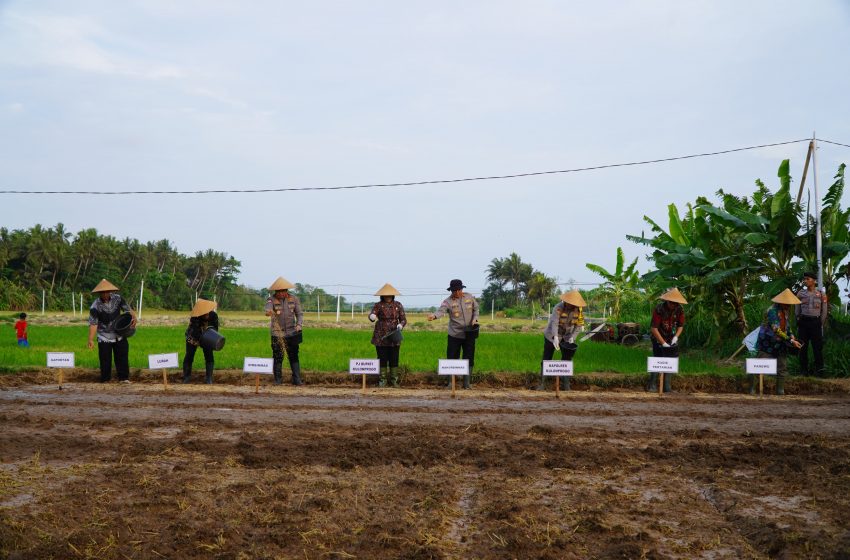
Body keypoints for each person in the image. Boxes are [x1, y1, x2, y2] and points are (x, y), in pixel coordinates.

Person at [427, 279, 479, 389]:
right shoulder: (448, 302)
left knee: (469, 357)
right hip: (455, 334)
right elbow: (441, 311)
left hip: (469, 333)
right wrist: (434, 316)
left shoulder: (469, 297)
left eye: (459, 290)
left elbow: (476, 309)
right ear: (451, 291)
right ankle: (451, 383)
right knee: (452, 357)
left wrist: (475, 319)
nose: (457, 292)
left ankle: (467, 384)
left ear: (462, 289)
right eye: (454, 291)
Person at [754, 289, 803, 396]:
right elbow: (776, 329)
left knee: (782, 367)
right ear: (781, 302)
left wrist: (792, 336)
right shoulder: (771, 311)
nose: (789, 306)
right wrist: (790, 340)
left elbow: (787, 326)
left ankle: (780, 391)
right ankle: (751, 389)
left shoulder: (785, 310)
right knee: (759, 366)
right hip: (768, 343)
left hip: (781, 343)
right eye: (787, 304)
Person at [87, 279, 137, 383]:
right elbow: (93, 323)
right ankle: (105, 380)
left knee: (122, 357)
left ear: (110, 291)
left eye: (107, 292)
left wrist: (134, 318)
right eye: (102, 292)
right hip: (104, 336)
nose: (105, 294)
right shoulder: (95, 306)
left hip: (119, 333)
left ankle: (124, 378)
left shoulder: (118, 299)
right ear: (99, 293)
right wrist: (90, 339)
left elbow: (128, 310)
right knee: (105, 360)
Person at [537, 290, 586, 391]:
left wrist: (573, 336)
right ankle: (542, 384)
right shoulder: (558, 308)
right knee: (546, 358)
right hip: (551, 335)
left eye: (574, 304)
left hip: (567, 337)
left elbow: (579, 325)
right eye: (570, 303)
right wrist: (555, 337)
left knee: (567, 359)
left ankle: (566, 385)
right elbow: (554, 323)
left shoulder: (579, 311)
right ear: (566, 301)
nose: (572, 305)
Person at [264, 277, 304, 386]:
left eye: (284, 291)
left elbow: (299, 314)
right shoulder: (271, 300)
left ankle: (296, 379)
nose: (282, 293)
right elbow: (267, 310)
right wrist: (269, 312)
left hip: (292, 332)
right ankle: (278, 380)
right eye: (279, 291)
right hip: (277, 333)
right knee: (278, 356)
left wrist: (299, 324)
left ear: (287, 290)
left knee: (294, 355)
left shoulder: (294, 299)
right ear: (276, 292)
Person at [648, 288, 688, 393]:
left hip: (671, 337)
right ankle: (652, 385)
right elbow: (654, 328)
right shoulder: (659, 309)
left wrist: (676, 337)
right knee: (658, 359)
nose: (673, 305)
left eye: (675, 303)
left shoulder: (680, 309)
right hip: (658, 337)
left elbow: (680, 326)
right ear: (667, 301)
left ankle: (667, 387)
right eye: (671, 303)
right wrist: (663, 343)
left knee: (671, 360)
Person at [368, 283, 407, 387]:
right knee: (382, 357)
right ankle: (382, 380)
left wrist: (400, 325)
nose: (388, 297)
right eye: (386, 296)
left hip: (394, 334)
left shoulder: (398, 305)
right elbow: (373, 314)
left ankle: (394, 380)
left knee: (394, 357)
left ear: (393, 296)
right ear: (382, 296)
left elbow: (403, 319)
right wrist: (371, 316)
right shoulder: (378, 305)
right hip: (380, 334)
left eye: (389, 295)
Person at [795, 271, 828, 377]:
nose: (805, 281)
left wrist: (820, 323)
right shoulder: (800, 293)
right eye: (804, 279)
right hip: (803, 323)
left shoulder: (821, 294)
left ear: (814, 281)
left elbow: (824, 310)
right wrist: (798, 319)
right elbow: (797, 309)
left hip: (815, 323)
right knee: (802, 347)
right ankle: (804, 371)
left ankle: (819, 371)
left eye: (808, 279)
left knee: (817, 348)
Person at [182, 299, 219, 384]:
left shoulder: (214, 316)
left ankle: (209, 378)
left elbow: (215, 329)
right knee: (189, 355)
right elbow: (195, 332)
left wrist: (212, 339)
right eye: (204, 313)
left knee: (209, 355)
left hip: (208, 337)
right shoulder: (195, 318)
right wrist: (201, 339)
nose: (207, 314)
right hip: (193, 337)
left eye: (208, 312)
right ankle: (186, 377)